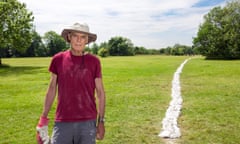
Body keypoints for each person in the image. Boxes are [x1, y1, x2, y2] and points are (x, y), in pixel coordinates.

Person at [36, 22, 106, 144]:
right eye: (75, 36)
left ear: (87, 40)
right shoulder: (58, 59)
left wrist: (101, 121)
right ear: (69, 37)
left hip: (88, 122)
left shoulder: (94, 61)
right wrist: (43, 119)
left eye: (83, 37)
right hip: (62, 121)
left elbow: (100, 93)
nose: (79, 40)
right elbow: (52, 89)